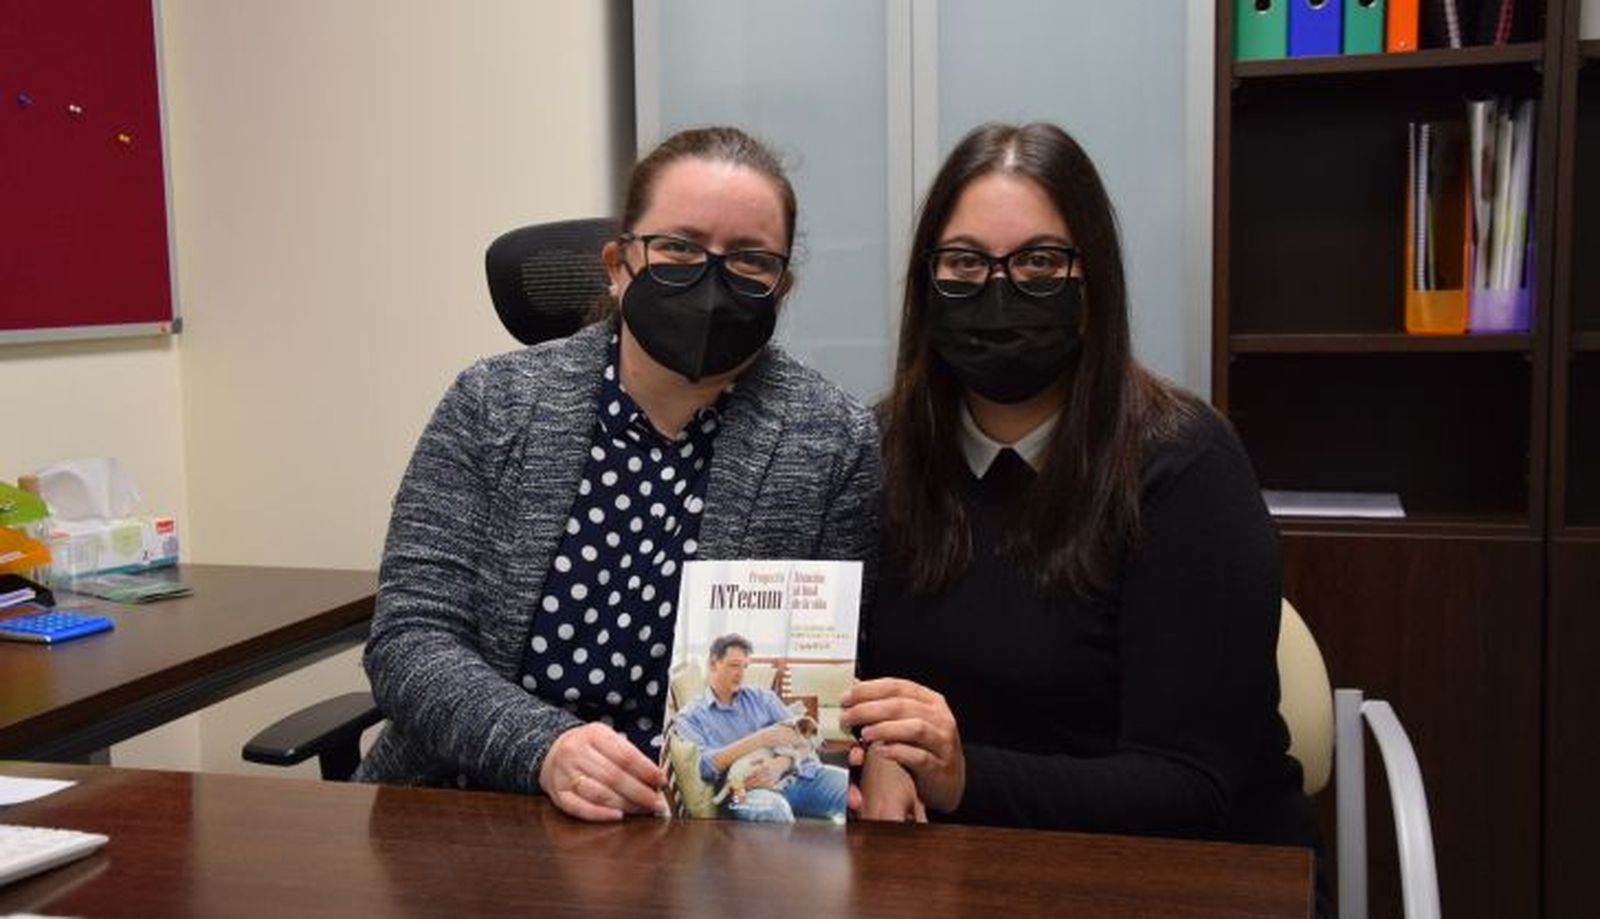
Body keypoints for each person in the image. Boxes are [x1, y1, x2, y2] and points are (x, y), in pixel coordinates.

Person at [840, 121, 1325, 906]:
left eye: (1039, 261)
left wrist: (961, 774)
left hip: (1186, 878)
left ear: (1092, 282)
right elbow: (847, 683)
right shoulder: (880, 451)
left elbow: (1191, 785)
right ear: (927, 285)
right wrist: (882, 752)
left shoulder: (1185, 464)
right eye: (964, 262)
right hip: (950, 874)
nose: (999, 290)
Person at [354, 126, 880, 823]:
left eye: (750, 259)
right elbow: (409, 639)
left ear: (780, 286)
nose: (712, 279)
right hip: (465, 803)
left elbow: (841, 668)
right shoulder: (492, 405)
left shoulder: (833, 440)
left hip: (702, 836)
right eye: (679, 248)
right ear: (618, 264)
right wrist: (543, 746)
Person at [671, 634, 848, 823]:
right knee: (773, 812)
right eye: (734, 665)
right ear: (713, 664)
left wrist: (781, 764)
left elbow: (806, 743)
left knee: (847, 787)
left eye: (745, 666)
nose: (741, 674)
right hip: (746, 790)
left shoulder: (763, 697)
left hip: (796, 776)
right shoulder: (690, 716)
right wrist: (762, 738)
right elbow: (705, 767)